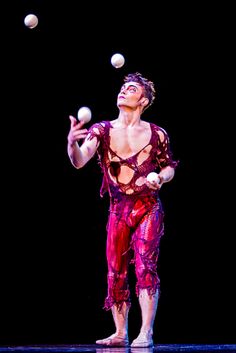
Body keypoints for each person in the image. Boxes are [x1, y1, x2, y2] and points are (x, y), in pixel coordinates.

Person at [67, 72, 178, 348]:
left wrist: (160, 178)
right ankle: (120, 332)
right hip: (118, 209)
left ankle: (146, 332)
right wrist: (71, 144)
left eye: (131, 89)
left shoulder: (157, 134)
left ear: (143, 100)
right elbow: (80, 161)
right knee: (115, 270)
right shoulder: (102, 130)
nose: (123, 90)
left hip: (147, 207)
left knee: (145, 266)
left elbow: (168, 167)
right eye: (122, 86)